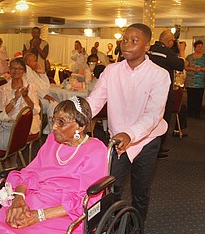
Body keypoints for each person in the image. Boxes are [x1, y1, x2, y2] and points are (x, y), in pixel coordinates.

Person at [0, 96, 108, 234]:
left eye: (61, 122)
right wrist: (18, 200)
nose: (54, 127)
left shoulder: (96, 151)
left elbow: (88, 200)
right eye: (53, 120)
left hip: (65, 213)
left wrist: (39, 216)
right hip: (36, 199)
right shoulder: (52, 141)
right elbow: (30, 172)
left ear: (80, 126)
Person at [87, 23, 171, 227]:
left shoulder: (159, 75)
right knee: (111, 188)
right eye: (125, 40)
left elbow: (153, 114)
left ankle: (136, 227)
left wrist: (130, 134)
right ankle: (113, 226)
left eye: (134, 40)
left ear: (147, 46)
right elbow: (95, 100)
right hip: (117, 141)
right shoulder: (111, 70)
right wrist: (76, 113)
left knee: (140, 190)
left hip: (147, 140)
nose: (127, 44)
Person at [148, 29, 186, 159]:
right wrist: (181, 51)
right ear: (170, 42)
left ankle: (149, 147)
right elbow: (181, 65)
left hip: (147, 90)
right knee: (163, 118)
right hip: (163, 91)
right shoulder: (167, 53)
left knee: (147, 117)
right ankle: (157, 148)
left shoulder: (149, 49)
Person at [0, 58, 40, 136]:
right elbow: (3, 112)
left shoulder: (31, 87)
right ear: (9, 70)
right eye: (13, 68)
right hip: (9, 122)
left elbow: (36, 110)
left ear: (24, 71)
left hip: (28, 121)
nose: (16, 71)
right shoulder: (3, 88)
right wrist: (15, 98)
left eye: (20, 68)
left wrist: (26, 97)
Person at [23, 52, 57, 134]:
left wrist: (42, 73)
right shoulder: (27, 70)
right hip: (35, 99)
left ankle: (49, 128)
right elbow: (32, 86)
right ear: (27, 62)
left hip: (41, 97)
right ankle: (51, 130)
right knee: (53, 104)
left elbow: (47, 86)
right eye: (34, 61)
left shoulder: (33, 71)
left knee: (55, 103)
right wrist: (45, 96)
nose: (36, 63)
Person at [184, 40, 205, 119]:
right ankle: (189, 113)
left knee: (198, 98)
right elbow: (185, 67)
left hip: (200, 82)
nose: (200, 48)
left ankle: (197, 113)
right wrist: (193, 68)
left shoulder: (204, 57)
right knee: (190, 98)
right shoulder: (189, 57)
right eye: (199, 46)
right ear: (195, 47)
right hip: (190, 82)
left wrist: (201, 69)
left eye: (201, 46)